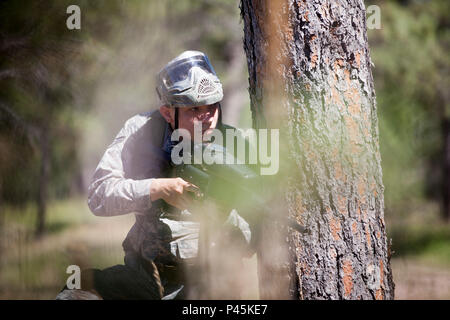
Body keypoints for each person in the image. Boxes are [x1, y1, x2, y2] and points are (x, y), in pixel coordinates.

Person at [56, 50, 254, 300]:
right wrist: (155, 189)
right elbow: (98, 196)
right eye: (194, 108)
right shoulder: (142, 132)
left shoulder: (234, 143)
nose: (207, 117)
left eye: (213, 106)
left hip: (209, 285)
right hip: (143, 279)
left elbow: (259, 224)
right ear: (167, 113)